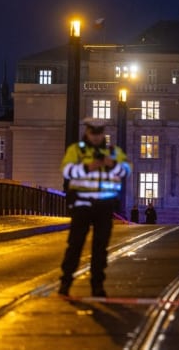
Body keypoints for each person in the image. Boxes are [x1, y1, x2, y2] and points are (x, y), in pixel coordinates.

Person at [58, 117, 131, 297]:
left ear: (103, 134)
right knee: (75, 244)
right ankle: (66, 281)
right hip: (82, 204)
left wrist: (110, 164)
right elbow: (66, 170)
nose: (96, 137)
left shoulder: (113, 152)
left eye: (99, 134)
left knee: (100, 247)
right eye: (93, 133)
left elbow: (126, 170)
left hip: (104, 206)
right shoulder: (77, 151)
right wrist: (87, 167)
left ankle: (97, 285)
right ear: (87, 132)